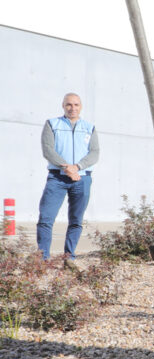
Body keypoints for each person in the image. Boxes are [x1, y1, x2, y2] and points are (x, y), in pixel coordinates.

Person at [37, 92, 99, 264]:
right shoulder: (52, 124)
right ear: (63, 106)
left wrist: (77, 167)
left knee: (76, 221)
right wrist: (66, 167)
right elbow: (48, 150)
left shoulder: (89, 127)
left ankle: (69, 258)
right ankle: (43, 260)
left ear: (81, 107)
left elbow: (94, 153)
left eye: (76, 105)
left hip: (82, 179)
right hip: (57, 178)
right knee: (45, 219)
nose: (72, 108)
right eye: (69, 105)